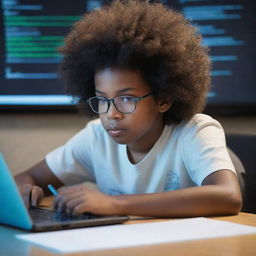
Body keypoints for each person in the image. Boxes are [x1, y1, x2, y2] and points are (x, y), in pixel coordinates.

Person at [15, 0, 242, 217]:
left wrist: (114, 204)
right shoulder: (96, 137)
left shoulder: (195, 132)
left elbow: (229, 196)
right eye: (102, 100)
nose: (111, 114)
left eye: (126, 99)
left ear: (163, 99)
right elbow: (27, 177)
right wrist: (26, 190)